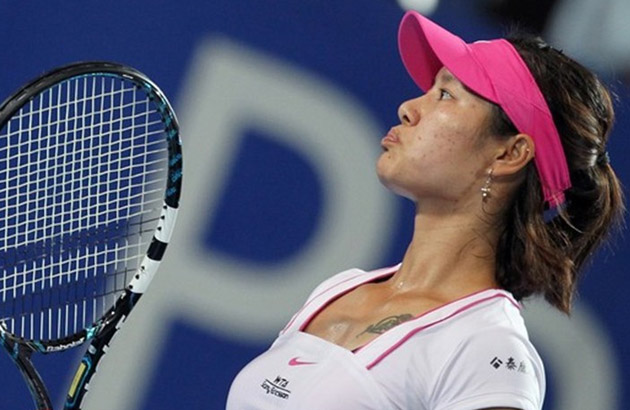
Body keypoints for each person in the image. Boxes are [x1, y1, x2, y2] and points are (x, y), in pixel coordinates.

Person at [226, 10, 624, 410]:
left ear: (509, 154)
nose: (408, 108)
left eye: (446, 94)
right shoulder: (337, 289)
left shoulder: (486, 349)